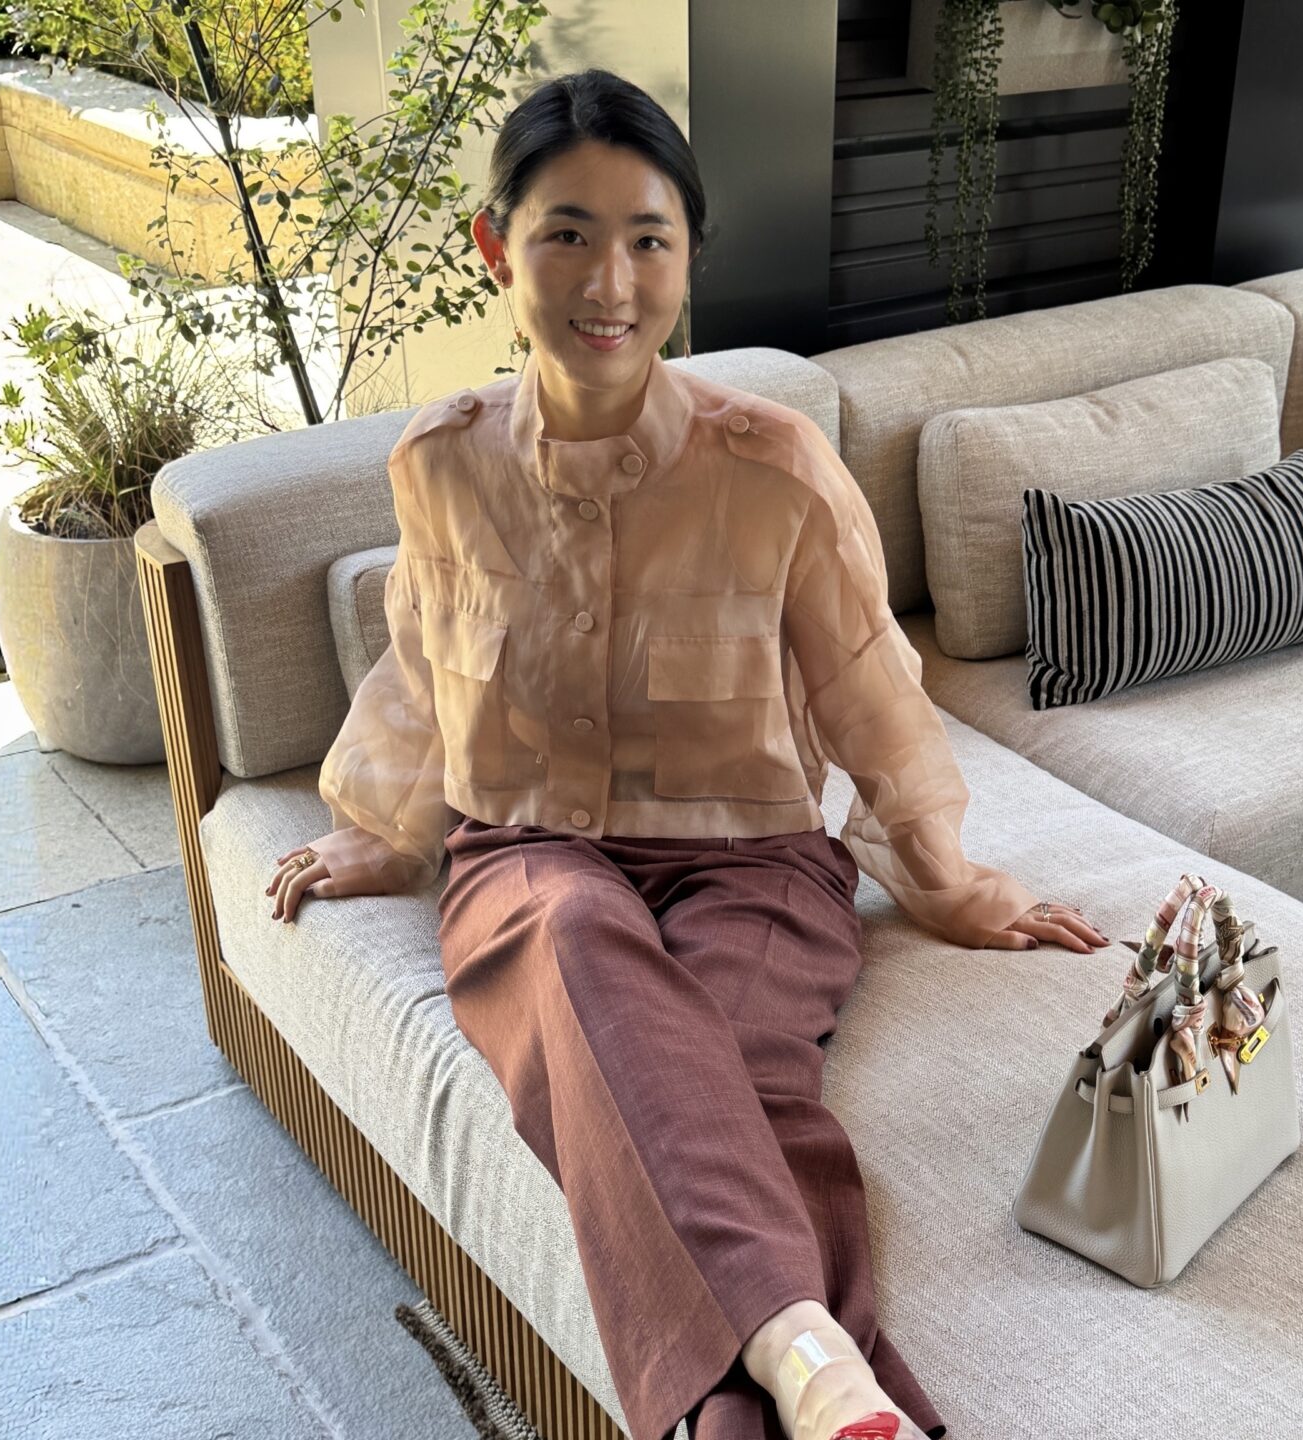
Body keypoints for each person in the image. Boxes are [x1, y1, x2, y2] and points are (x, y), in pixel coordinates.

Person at [263, 68, 1108, 1440]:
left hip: (753, 862)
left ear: (689, 259)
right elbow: (425, 661)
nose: (612, 279)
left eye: (649, 239)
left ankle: (760, 1408)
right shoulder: (440, 463)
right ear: (498, 246)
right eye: (568, 233)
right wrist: (384, 825)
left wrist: (951, 879)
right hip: (528, 850)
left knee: (724, 1082)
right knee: (582, 950)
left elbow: (867, 693)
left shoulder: (772, 467)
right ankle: (825, 1371)